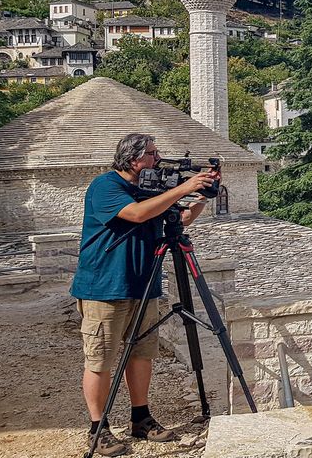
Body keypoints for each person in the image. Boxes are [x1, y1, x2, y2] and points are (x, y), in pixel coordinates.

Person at [70, 133, 219, 456]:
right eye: (152, 154)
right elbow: (136, 214)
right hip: (104, 286)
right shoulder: (105, 186)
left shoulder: (150, 190)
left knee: (141, 354)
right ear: (133, 158)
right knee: (101, 359)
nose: (158, 158)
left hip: (144, 284)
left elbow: (175, 220)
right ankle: (99, 428)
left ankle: (141, 417)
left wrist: (202, 196)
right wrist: (183, 188)